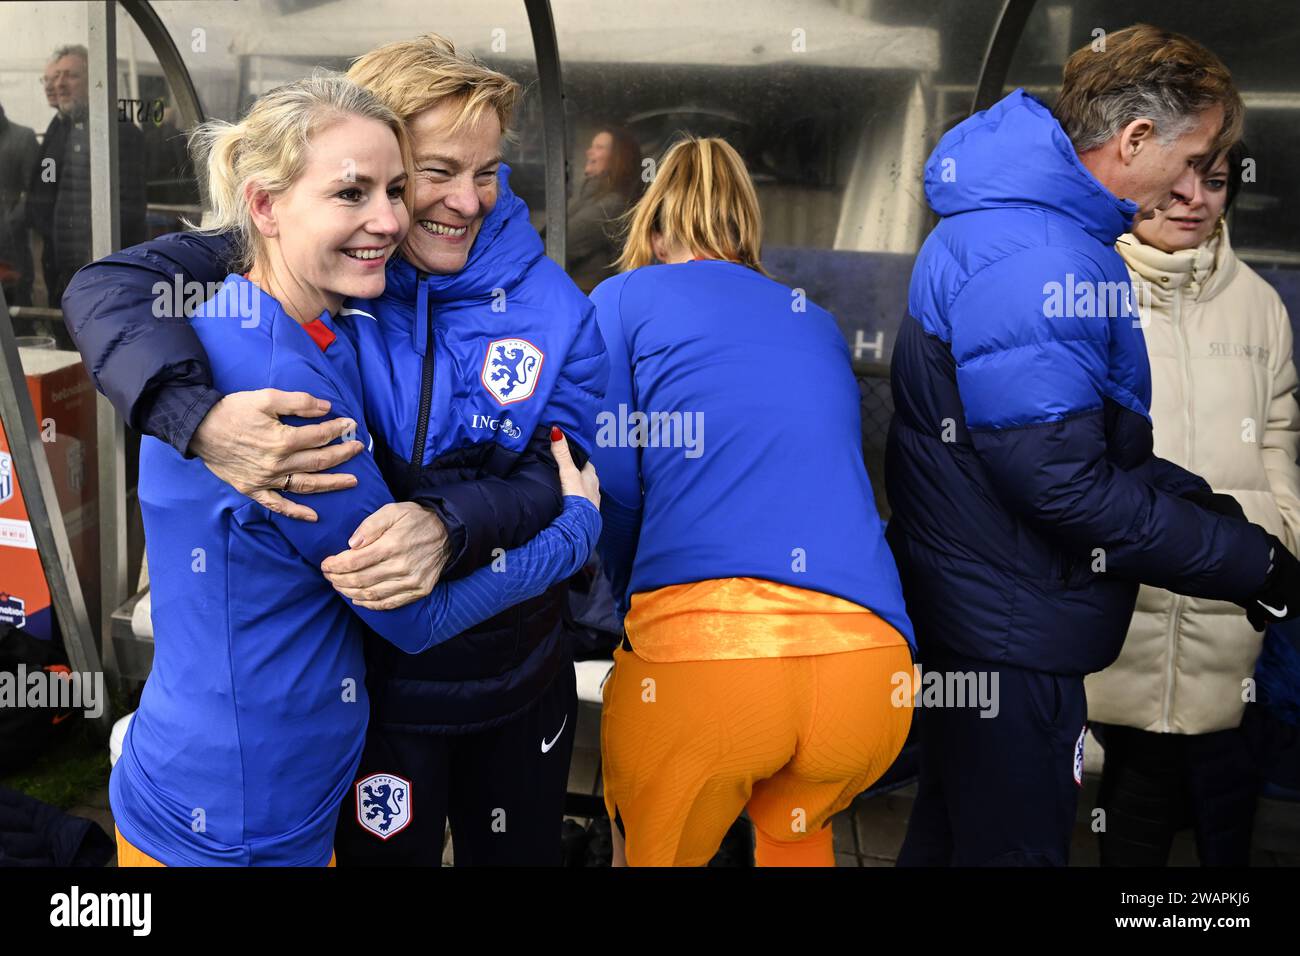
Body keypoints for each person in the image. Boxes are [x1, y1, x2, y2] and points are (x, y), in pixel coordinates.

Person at [63, 34, 609, 867]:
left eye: (488, 171)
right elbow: (103, 284)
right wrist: (197, 419)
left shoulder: (543, 303)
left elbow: (566, 458)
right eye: (430, 172)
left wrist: (450, 520)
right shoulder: (285, 362)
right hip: (294, 777)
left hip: (489, 682)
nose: (463, 202)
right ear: (270, 205)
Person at [885, 23, 1300, 867]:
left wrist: (1207, 509)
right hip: (1012, 633)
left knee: (952, 844)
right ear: (1138, 138)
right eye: (1194, 159)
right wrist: (1247, 564)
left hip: (990, 619)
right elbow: (1060, 482)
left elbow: (1077, 445)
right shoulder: (1040, 256)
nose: (1200, 185)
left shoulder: (1029, 232)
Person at [589, 136, 915, 867]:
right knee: (794, 844)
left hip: (709, 662)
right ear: (746, 224)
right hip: (869, 672)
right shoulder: (814, 319)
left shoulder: (622, 299)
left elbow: (614, 483)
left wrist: (621, 598)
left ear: (654, 220)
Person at [1086, 141, 1300, 865]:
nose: (1194, 200)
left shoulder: (1259, 303)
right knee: (1127, 816)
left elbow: (1278, 430)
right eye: (1177, 181)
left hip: (1231, 616)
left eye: (1213, 184)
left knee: (1224, 815)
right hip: (1115, 607)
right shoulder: (1087, 283)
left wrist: (1284, 532)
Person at [26, 44, 146, 305]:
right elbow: (47, 188)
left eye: (70, 75)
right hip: (63, 268)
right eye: (55, 77)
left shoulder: (118, 131)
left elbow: (129, 210)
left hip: (98, 273)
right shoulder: (62, 125)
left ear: (96, 80)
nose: (59, 84)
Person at [566, 125, 641, 292]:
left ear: (618, 158)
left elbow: (563, 241)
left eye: (599, 147)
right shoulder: (591, 195)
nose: (589, 152)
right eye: (592, 146)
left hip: (588, 294)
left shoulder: (613, 204)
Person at [0, 101, 38, 306]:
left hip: (11, 248)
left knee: (17, 313)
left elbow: (39, 187)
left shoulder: (23, 138)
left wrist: (12, 222)